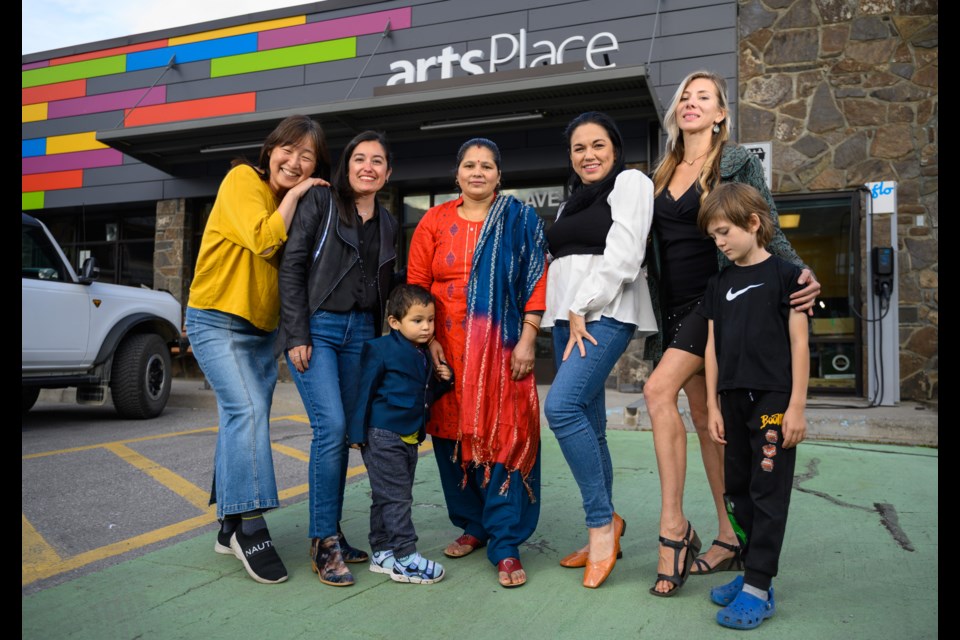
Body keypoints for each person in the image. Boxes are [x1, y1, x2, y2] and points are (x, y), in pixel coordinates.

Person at [643, 70, 820, 597]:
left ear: (721, 113)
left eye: (704, 98)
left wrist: (801, 275)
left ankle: (675, 530)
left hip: (716, 300)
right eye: (684, 97)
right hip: (671, 307)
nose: (691, 104)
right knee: (706, 423)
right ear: (676, 112)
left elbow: (767, 223)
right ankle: (728, 535)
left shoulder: (736, 161)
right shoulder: (662, 172)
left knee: (657, 392)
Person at [186, 114, 328, 584]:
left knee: (241, 418)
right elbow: (265, 239)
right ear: (270, 151)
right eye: (289, 150)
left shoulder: (302, 202)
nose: (295, 161)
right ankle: (251, 526)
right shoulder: (242, 180)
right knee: (246, 412)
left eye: (307, 156)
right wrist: (293, 195)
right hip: (217, 318)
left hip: (262, 331)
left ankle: (227, 525)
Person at [407, 137, 547, 588]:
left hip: (503, 351)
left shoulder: (519, 220)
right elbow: (416, 286)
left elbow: (537, 280)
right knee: (450, 440)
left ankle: (505, 540)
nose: (478, 172)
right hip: (445, 349)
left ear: (499, 176)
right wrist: (428, 345)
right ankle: (474, 524)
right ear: (457, 174)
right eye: (469, 165)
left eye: (487, 165)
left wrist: (528, 339)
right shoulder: (434, 220)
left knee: (503, 435)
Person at [542, 112, 658, 589]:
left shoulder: (631, 182)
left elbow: (627, 253)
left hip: (602, 312)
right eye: (578, 148)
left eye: (597, 145)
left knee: (561, 407)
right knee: (589, 423)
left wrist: (582, 304)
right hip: (562, 316)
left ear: (615, 148)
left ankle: (599, 525)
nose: (588, 155)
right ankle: (608, 520)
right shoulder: (572, 203)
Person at [279, 130, 399, 587]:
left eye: (378, 160)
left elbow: (387, 287)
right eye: (360, 158)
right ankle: (323, 540)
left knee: (348, 433)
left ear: (388, 172)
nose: (368, 166)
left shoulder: (388, 222)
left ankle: (332, 529)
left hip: (362, 335)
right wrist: (297, 332)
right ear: (347, 166)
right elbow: (292, 266)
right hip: (320, 329)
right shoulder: (322, 204)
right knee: (328, 428)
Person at [697, 182, 808, 629]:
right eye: (714, 236)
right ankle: (748, 573)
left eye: (724, 232)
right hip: (731, 399)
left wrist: (797, 406)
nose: (719, 241)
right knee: (736, 491)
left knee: (768, 493)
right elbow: (710, 348)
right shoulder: (718, 282)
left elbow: (800, 345)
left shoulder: (788, 275)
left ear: (753, 223)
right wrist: (714, 405)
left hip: (773, 401)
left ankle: (759, 587)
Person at [346, 284, 454, 584]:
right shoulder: (379, 349)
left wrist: (446, 379)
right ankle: (405, 558)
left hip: (409, 435)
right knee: (397, 498)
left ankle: (382, 552)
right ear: (394, 322)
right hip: (383, 434)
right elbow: (363, 390)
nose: (426, 327)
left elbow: (424, 393)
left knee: (386, 496)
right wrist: (356, 433)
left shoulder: (421, 353)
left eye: (430, 320)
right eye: (417, 320)